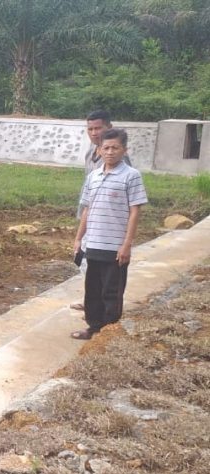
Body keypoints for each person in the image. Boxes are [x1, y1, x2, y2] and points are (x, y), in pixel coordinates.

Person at [71, 128, 147, 340]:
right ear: (100, 149)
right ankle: (93, 327)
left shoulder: (131, 176)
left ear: (124, 150)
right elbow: (87, 209)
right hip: (93, 243)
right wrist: (79, 239)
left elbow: (135, 211)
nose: (110, 152)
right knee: (93, 290)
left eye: (115, 148)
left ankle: (109, 333)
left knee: (111, 291)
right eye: (106, 148)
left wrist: (127, 244)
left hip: (115, 247)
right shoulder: (93, 176)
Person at [71, 110, 130, 311]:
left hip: (109, 225)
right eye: (90, 129)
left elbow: (128, 201)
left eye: (98, 128)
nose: (94, 132)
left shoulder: (119, 161)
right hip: (89, 217)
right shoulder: (91, 153)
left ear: (108, 128)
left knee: (108, 269)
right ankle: (91, 302)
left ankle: (105, 310)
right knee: (85, 261)